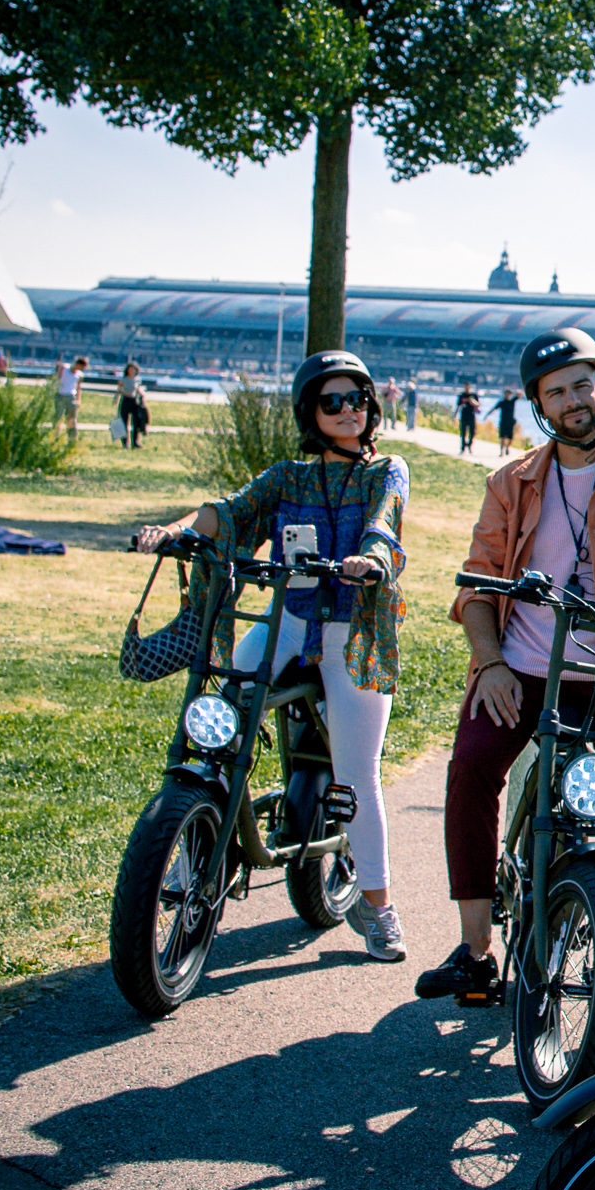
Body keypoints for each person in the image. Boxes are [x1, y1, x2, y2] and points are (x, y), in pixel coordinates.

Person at [416, 329, 595, 1003]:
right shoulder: (512, 482)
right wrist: (491, 663)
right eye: (556, 391)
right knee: (471, 772)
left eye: (582, 385)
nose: (573, 401)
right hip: (522, 671)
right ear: (539, 403)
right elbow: (477, 584)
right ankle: (475, 951)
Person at [133, 351, 411, 962]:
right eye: (331, 401)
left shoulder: (386, 470)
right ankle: (195, 837)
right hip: (289, 617)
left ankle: (379, 907)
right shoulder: (287, 477)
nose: (348, 410)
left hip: (356, 629)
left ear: (372, 407)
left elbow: (384, 523)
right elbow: (228, 513)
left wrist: (370, 559)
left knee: (355, 770)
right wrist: (174, 531)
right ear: (311, 412)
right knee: (221, 713)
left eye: (358, 398)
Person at [53, 356, 88, 441]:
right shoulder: (65, 368)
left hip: (71, 397)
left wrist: (78, 400)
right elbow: (57, 377)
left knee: (71, 419)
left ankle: (72, 439)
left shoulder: (79, 375)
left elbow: (78, 387)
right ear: (78, 364)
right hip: (60, 395)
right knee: (58, 418)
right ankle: (55, 438)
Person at [116, 361, 148, 449]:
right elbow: (119, 390)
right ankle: (125, 443)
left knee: (136, 422)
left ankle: (135, 442)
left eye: (133, 370)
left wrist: (142, 395)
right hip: (125, 400)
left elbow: (138, 388)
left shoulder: (137, 379)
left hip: (134, 401)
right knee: (124, 423)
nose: (131, 371)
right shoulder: (123, 379)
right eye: (130, 369)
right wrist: (116, 399)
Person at [487, 387, 519, 456]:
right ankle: (502, 451)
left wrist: (513, 392)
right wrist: (487, 415)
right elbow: (494, 409)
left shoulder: (512, 401)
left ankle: (507, 447)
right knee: (502, 437)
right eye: (506, 394)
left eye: (508, 394)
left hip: (510, 422)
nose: (507, 395)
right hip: (503, 421)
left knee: (510, 438)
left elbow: (520, 394)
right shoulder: (501, 402)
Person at [454, 384, 481, 454]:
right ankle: (463, 448)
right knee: (463, 432)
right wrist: (455, 416)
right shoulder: (461, 396)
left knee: (472, 432)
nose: (467, 388)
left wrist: (472, 402)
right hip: (464, 416)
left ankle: (469, 445)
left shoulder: (474, 395)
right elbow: (458, 406)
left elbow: (478, 404)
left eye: (468, 387)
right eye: (465, 387)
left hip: (472, 416)